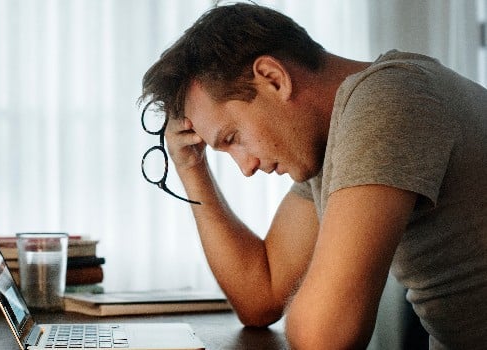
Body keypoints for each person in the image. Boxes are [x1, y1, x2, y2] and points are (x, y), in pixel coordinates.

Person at [140, 3, 486, 349]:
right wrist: (190, 166)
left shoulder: (388, 99)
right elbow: (261, 297)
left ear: (273, 79)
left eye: (233, 138)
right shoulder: (331, 141)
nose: (245, 168)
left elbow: (326, 338)